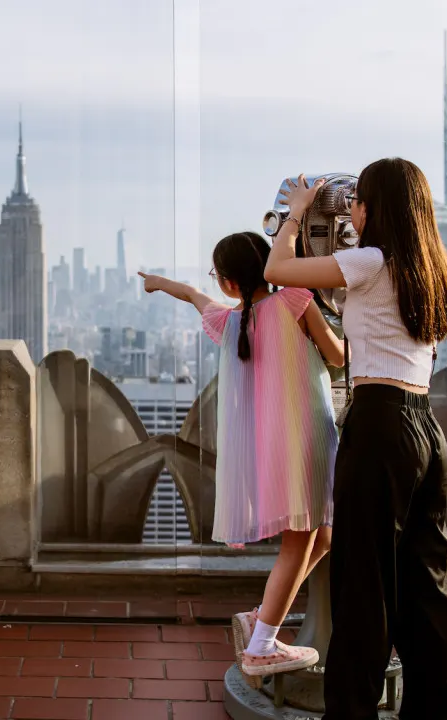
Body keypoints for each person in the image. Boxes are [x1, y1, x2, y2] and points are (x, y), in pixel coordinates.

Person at [264, 161, 447, 719]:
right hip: (426, 427)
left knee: (363, 589)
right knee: (428, 587)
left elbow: (279, 267)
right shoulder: (437, 267)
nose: (350, 212)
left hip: (378, 426)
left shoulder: (369, 262)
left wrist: (298, 214)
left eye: (357, 202)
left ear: (374, 209)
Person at [139, 230, 344, 684]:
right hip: (306, 439)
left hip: (273, 449)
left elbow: (193, 295)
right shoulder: (295, 300)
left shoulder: (230, 322)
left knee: (324, 537)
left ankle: (261, 616)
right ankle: (262, 646)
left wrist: (157, 283)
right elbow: (337, 357)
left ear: (229, 283)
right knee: (301, 539)